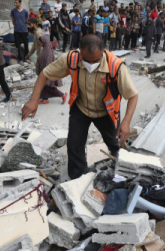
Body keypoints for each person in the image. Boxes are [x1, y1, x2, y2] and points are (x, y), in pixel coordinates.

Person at [21, 34, 138, 180]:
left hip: (106, 113)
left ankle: (120, 173)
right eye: (86, 60)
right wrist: (34, 100)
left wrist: (126, 122)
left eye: (95, 60)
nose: (90, 64)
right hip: (81, 109)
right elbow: (44, 74)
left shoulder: (116, 66)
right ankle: (78, 179)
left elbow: (132, 95)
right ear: (80, 52)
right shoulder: (71, 58)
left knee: (115, 144)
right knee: (74, 145)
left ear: (103, 52)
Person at [36, 36, 68, 105]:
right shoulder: (45, 49)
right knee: (44, 86)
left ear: (43, 42)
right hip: (44, 72)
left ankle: (63, 95)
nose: (39, 44)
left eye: (40, 42)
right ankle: (44, 99)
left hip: (48, 72)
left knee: (50, 88)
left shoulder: (48, 51)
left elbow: (48, 63)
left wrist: (45, 73)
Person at [10, 0, 29, 65]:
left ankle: (26, 58)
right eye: (14, 2)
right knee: (18, 45)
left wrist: (22, 26)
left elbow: (27, 21)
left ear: (20, 3)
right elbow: (13, 21)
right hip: (17, 31)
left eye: (16, 2)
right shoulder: (13, 11)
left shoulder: (25, 12)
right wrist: (17, 26)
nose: (15, 4)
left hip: (24, 30)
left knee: (26, 45)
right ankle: (20, 59)